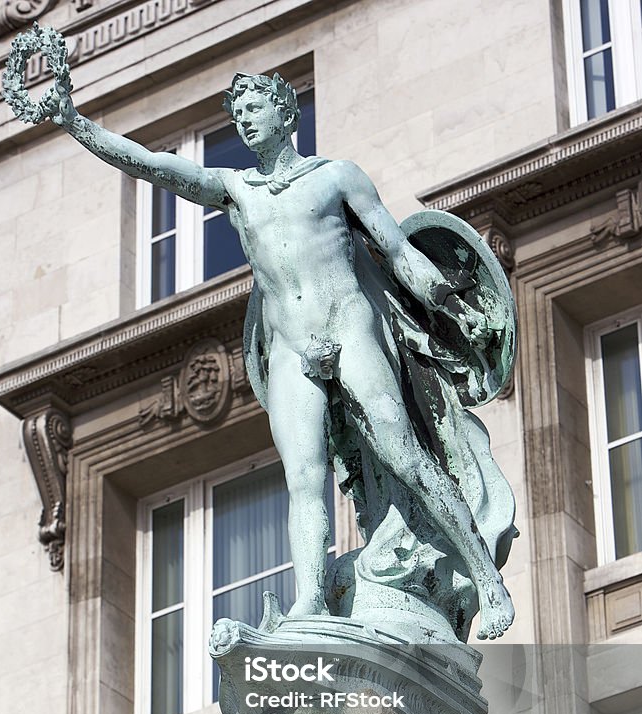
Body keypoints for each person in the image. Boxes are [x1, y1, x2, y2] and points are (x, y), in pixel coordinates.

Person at [52, 71, 515, 640]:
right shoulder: (237, 189)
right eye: (237, 112)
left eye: (253, 108)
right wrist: (74, 122)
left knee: (406, 455)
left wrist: (448, 302)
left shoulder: (336, 177)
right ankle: (312, 599)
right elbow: (151, 165)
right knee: (302, 478)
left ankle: (486, 577)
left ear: (286, 115)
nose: (242, 120)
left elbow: (395, 249)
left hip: (348, 326)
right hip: (290, 344)